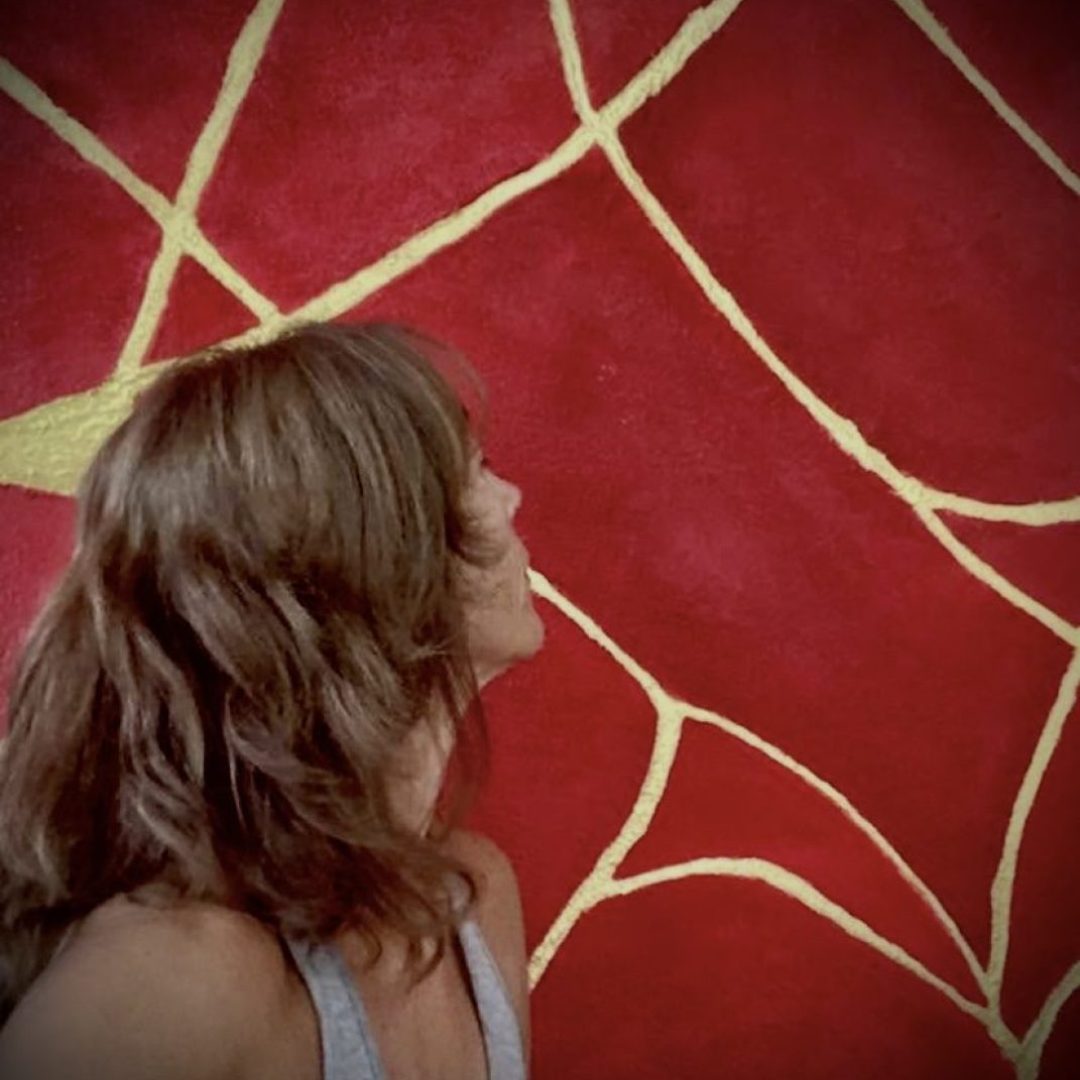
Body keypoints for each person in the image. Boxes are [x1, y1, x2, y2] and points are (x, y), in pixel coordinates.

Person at [0, 320, 545, 1079]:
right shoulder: (170, 984)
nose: (512, 498)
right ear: (376, 560)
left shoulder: (474, 902)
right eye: (476, 470)